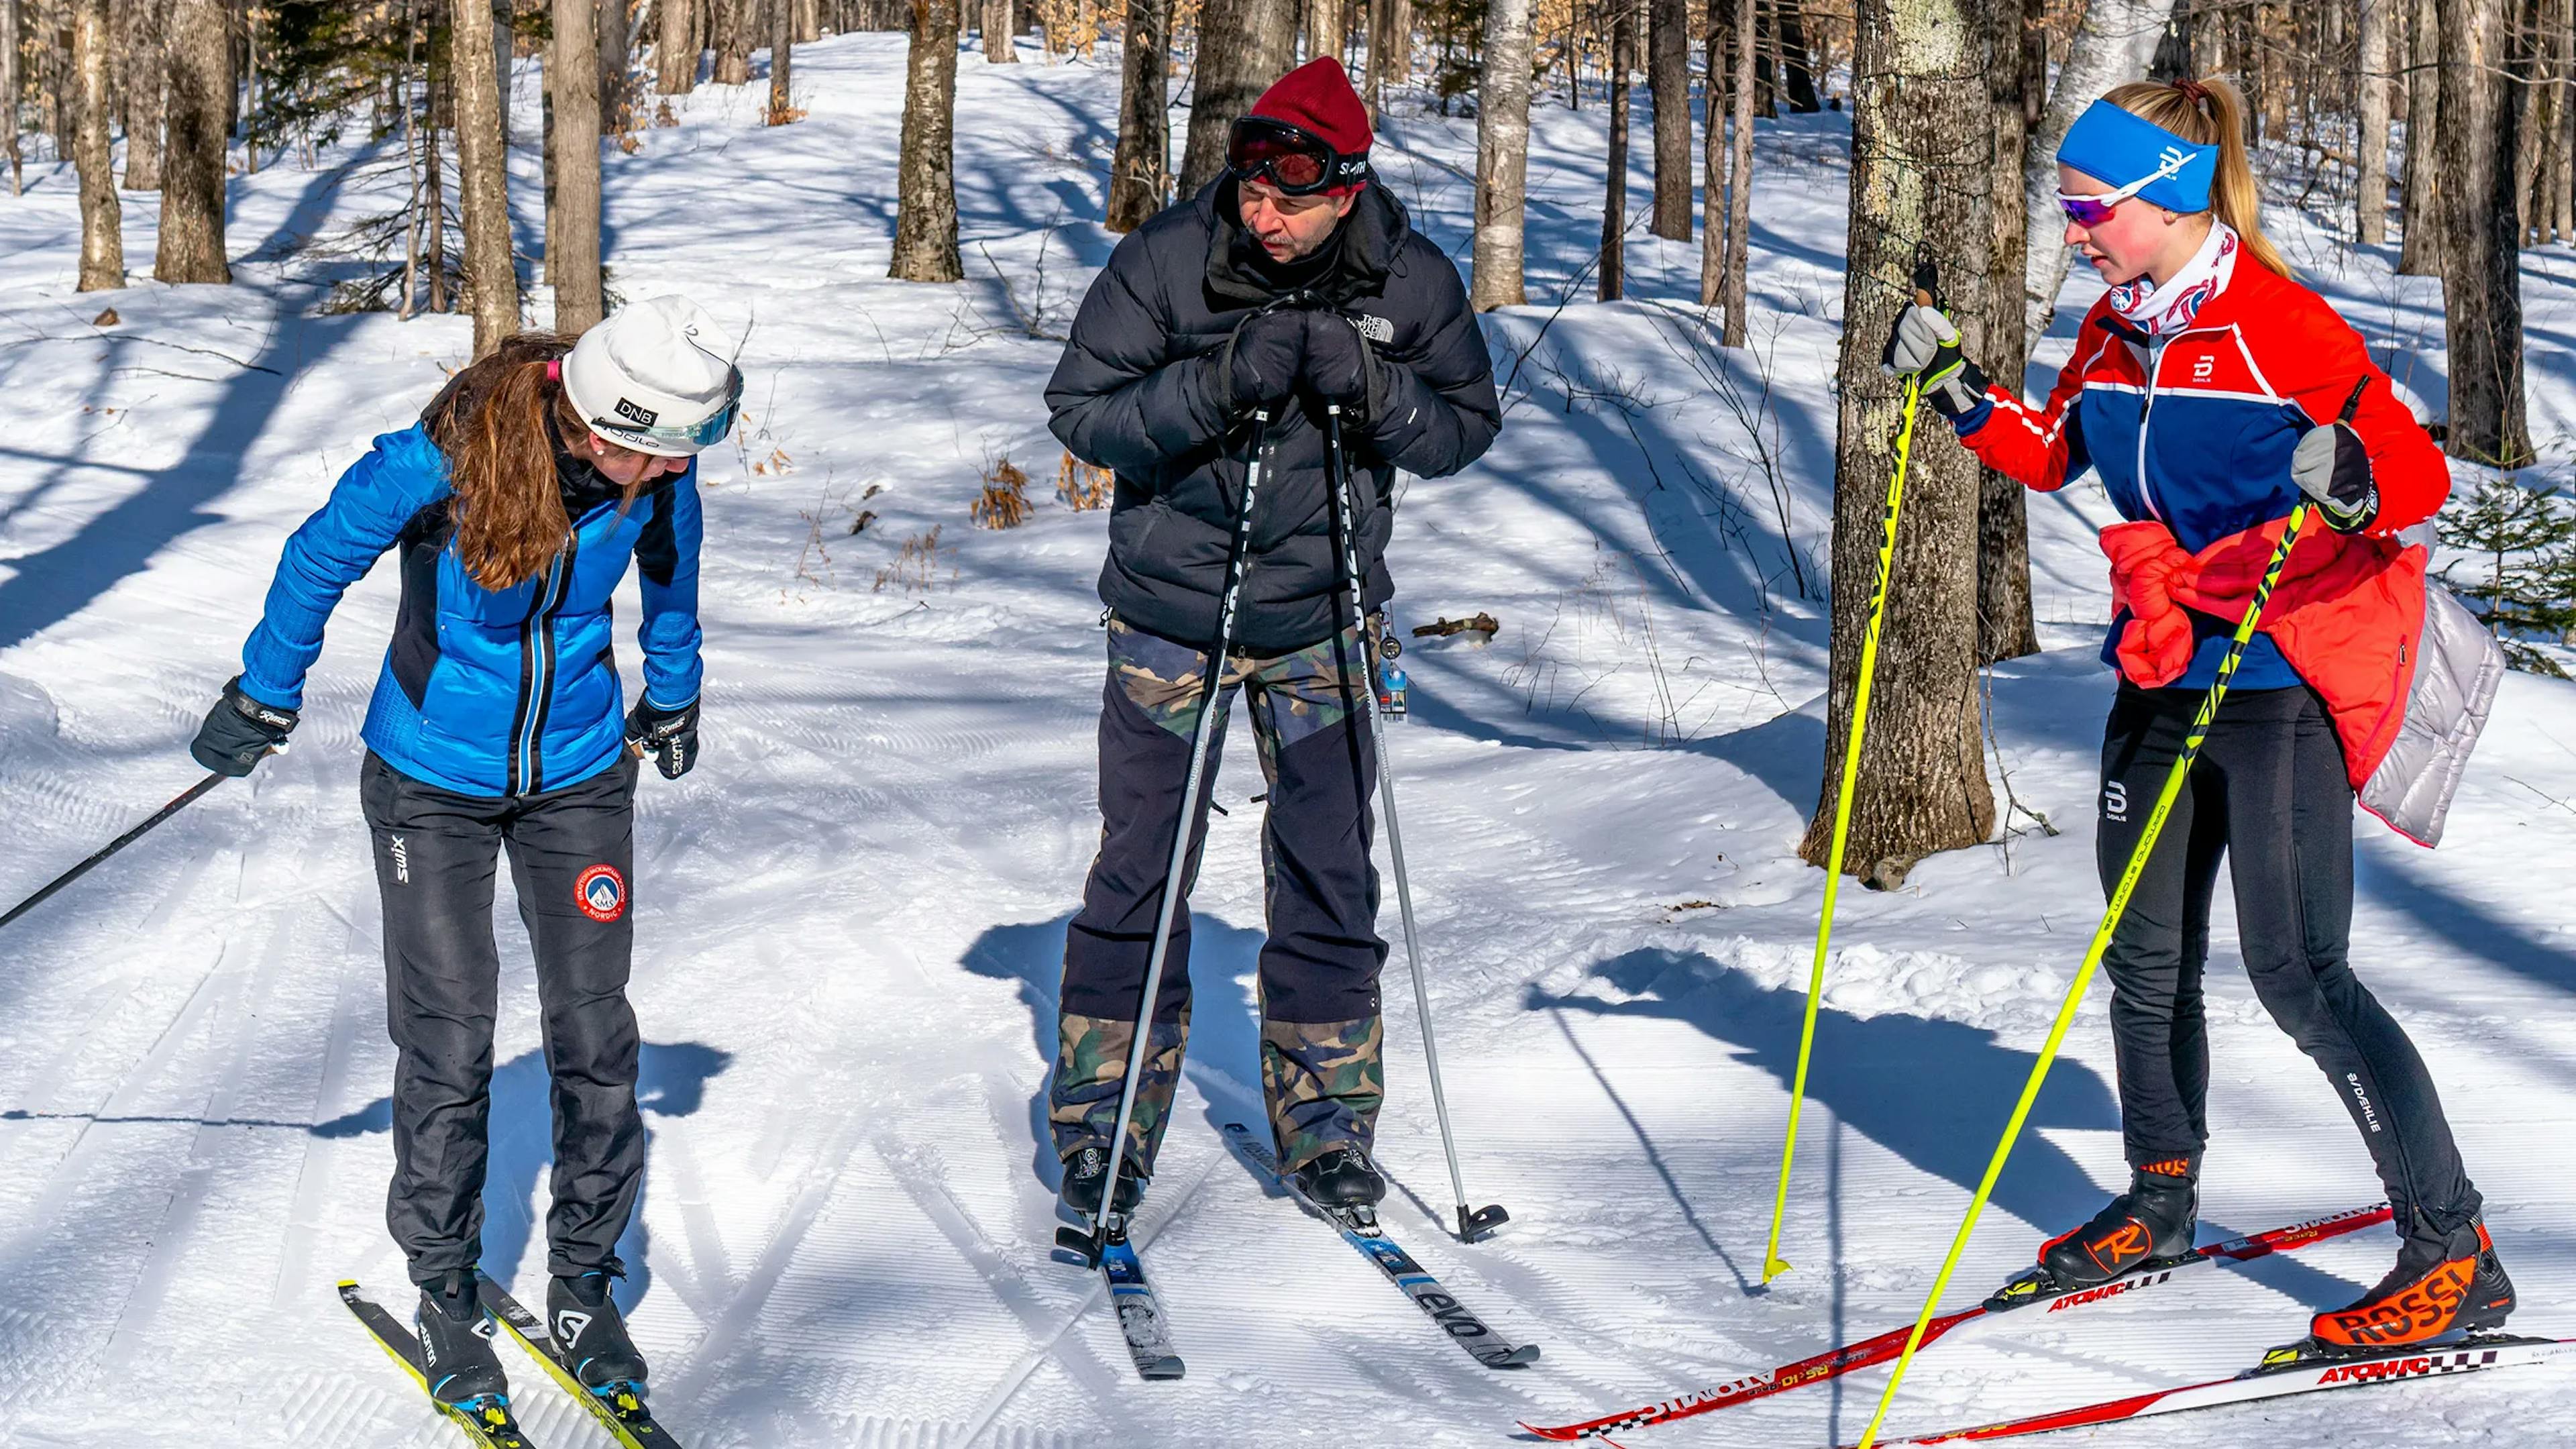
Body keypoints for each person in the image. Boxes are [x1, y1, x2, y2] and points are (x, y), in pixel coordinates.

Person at [1885, 78, 2513, 1352]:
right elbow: (2054, 447)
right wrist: (1952, 387)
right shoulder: (2116, 331)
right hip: (2162, 665)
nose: (2072, 230)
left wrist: (2350, 481)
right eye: (2066, 207)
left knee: (2301, 976)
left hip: (2277, 684)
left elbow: (2414, 473)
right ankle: (2159, 1199)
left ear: (2166, 200)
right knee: (2143, 952)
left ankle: (2455, 1252)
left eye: (2089, 207)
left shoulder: (2279, 324)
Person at [190, 298, 737, 1409]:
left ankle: (584, 1278)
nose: (661, 474)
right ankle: (444, 1285)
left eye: (681, 454)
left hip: (578, 773)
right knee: (450, 1037)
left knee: (597, 1033)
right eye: (649, 451)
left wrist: (672, 698)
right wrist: (265, 689)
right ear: (592, 422)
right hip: (430, 783)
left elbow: (671, 589)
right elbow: (315, 556)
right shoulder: (444, 456)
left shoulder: (660, 477)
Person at [1042, 57, 1499, 1218]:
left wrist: (1372, 384)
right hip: (1169, 618)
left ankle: (1330, 1124)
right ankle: (1105, 1120)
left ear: (1347, 188)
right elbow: (1082, 411)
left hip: (1323, 620)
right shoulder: (1167, 259)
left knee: (1329, 873)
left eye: (1290, 200)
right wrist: (1219, 383)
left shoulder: (1408, 277)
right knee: (1141, 868)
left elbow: (1461, 430)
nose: (1264, 218)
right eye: (1250, 194)